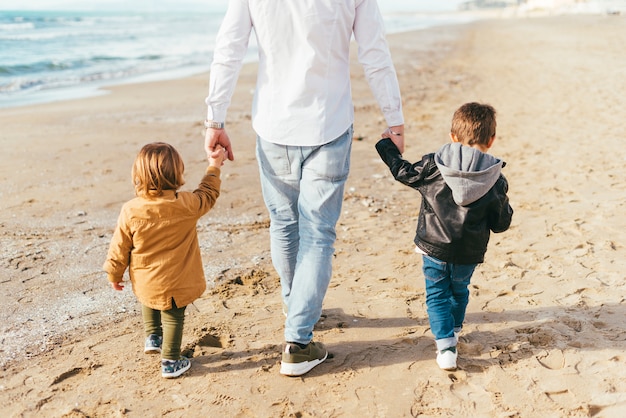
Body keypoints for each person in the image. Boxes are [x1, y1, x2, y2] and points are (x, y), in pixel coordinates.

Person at [205, 0, 405, 376]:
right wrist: (394, 120)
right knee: (317, 233)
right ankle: (297, 340)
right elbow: (374, 51)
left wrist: (215, 117)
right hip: (328, 123)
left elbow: (228, 49)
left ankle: (294, 307)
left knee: (284, 223)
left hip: (274, 125)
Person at [375, 102, 513, 371]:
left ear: (452, 137)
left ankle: (446, 346)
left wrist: (387, 146)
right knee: (459, 290)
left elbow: (403, 172)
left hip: (433, 247)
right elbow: (501, 224)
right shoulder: (495, 179)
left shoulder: (433, 165)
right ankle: (455, 329)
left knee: (437, 294)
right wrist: (502, 204)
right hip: (468, 252)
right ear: (492, 140)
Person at [103, 142, 225, 378]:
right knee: (174, 316)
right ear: (177, 174)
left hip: (146, 278)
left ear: (138, 176)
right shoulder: (187, 204)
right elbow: (208, 193)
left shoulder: (131, 210)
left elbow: (119, 247)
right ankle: (170, 360)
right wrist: (214, 166)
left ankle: (153, 337)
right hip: (178, 281)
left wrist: (114, 274)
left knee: (147, 298)